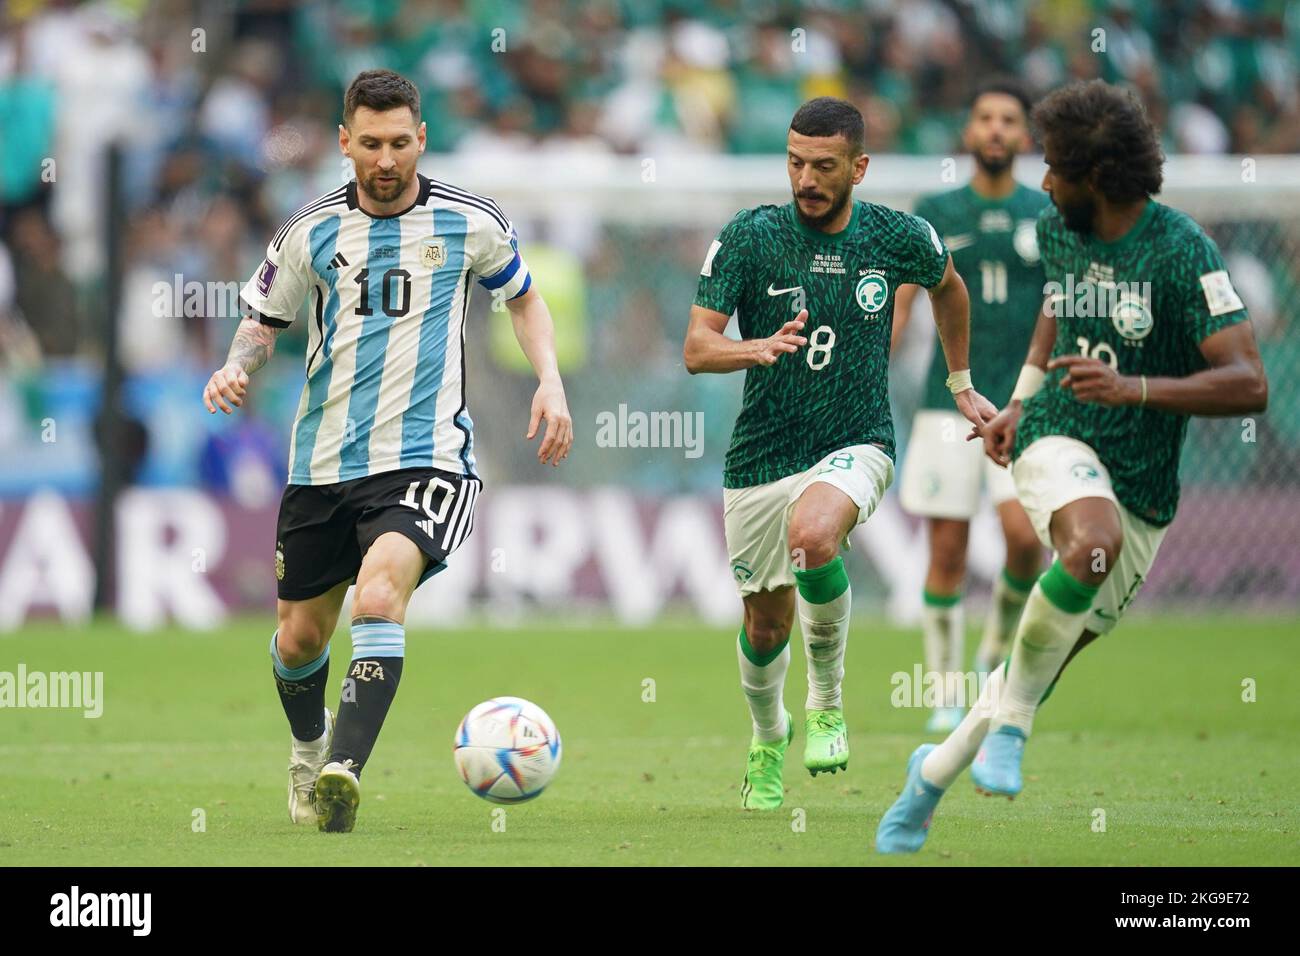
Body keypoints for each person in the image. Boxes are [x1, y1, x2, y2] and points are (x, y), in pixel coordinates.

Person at [876, 80, 1267, 853]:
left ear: (1095, 175)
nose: (1042, 180)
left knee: (1041, 654)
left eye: (1054, 167)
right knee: (1091, 539)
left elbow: (1249, 382)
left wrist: (1138, 389)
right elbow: (1054, 309)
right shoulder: (1061, 229)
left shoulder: (1182, 252)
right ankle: (1010, 731)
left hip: (1144, 481)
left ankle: (932, 774)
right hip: (1060, 431)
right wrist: (1022, 403)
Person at [203, 69, 573, 833]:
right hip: (322, 465)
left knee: (378, 599)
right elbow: (261, 321)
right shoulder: (308, 230)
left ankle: (344, 767)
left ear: (421, 138)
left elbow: (525, 297)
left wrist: (550, 381)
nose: (385, 159)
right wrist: (236, 363)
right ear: (345, 142)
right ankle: (308, 757)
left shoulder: (470, 221)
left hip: (426, 458)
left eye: (399, 143)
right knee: (299, 636)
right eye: (369, 144)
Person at [684, 96, 995, 810]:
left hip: (857, 440)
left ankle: (826, 702)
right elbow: (698, 348)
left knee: (815, 538)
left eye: (823, 167)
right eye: (795, 163)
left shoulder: (898, 236)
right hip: (761, 457)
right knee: (764, 627)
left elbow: (950, 288)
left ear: (858, 166)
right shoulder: (749, 236)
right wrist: (750, 349)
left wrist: (960, 381)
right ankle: (769, 738)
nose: (806, 179)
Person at [893, 79, 1049, 732]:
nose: (994, 129)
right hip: (945, 405)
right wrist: (873, 365)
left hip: (1022, 408)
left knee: (1023, 542)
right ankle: (944, 692)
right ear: (969, 131)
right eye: (984, 117)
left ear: (1024, 136)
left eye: (1007, 119)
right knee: (947, 552)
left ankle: (993, 652)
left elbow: (1060, 306)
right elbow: (903, 301)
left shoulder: (1047, 212)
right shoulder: (934, 209)